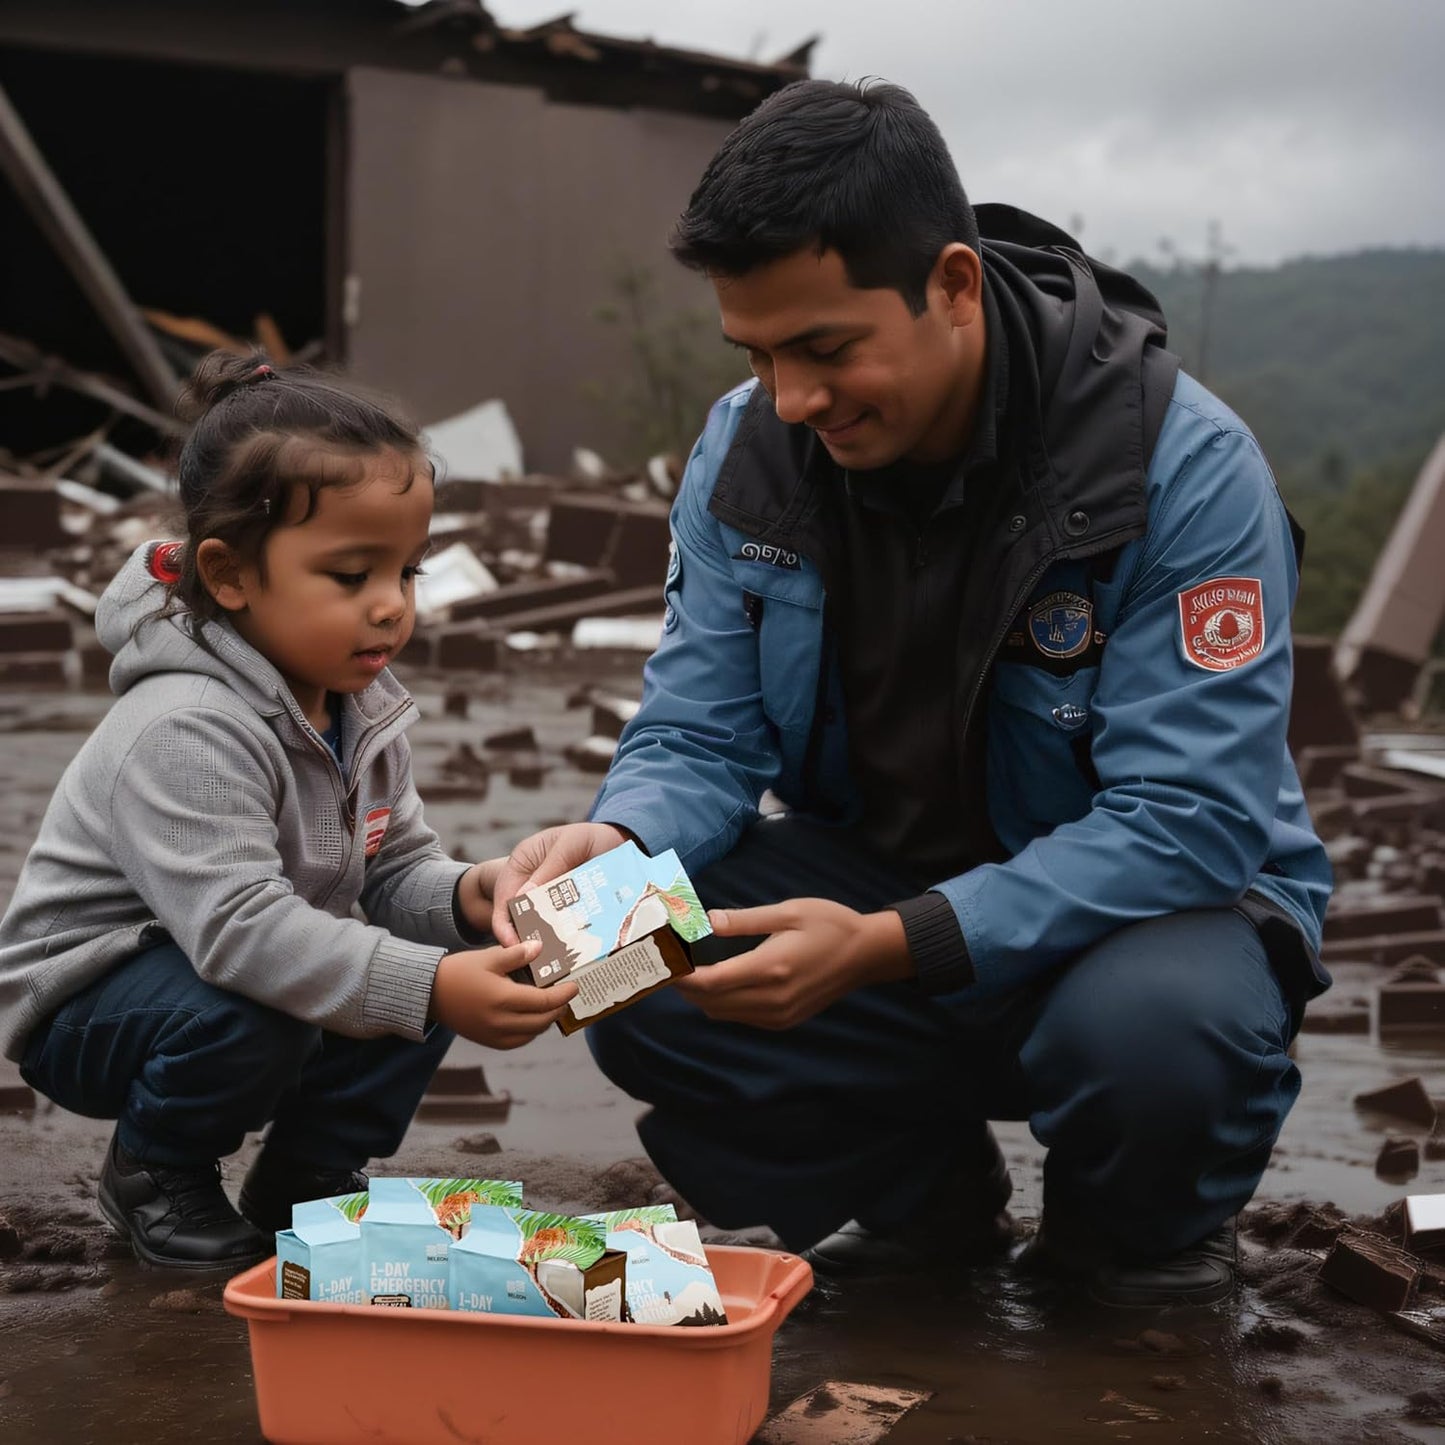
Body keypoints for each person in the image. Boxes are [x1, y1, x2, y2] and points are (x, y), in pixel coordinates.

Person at [491, 78, 1334, 1309]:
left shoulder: (1179, 469)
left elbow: (1187, 823)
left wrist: (892, 945)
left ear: (949, 284)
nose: (790, 399)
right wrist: (618, 833)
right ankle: (919, 1201)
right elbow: (697, 731)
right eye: (759, 353)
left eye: (825, 350)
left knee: (1156, 1035)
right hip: (876, 880)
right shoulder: (748, 452)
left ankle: (1129, 1240)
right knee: (610, 946)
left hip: (1141, 919)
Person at [0, 352, 574, 1270]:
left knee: (436, 963)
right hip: (91, 1002)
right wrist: (426, 984)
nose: (391, 607)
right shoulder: (185, 725)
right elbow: (238, 930)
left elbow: (391, 871)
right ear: (229, 575)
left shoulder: (362, 706)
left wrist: (476, 890)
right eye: (351, 575)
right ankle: (156, 1168)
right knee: (286, 1002)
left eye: (408, 572)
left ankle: (305, 1177)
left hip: (219, 967)